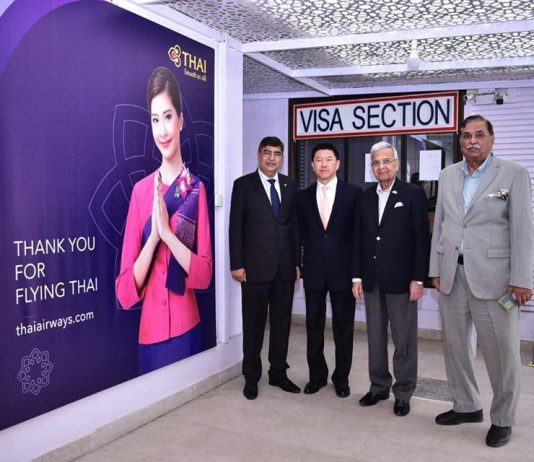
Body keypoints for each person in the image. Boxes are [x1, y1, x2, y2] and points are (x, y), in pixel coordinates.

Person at [429, 114, 533, 447]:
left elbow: (523, 229)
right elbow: (441, 224)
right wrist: (435, 268)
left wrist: (521, 278)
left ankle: (502, 419)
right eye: (466, 136)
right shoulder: (447, 175)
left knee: (502, 355)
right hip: (452, 275)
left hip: (496, 279)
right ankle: (466, 406)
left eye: (479, 135)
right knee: (456, 349)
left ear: (491, 138)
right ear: (460, 141)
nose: (472, 141)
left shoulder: (513, 174)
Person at [116, 67, 213, 374]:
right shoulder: (141, 192)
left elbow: (204, 275)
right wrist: (155, 238)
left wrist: (169, 236)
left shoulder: (195, 189)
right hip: (151, 334)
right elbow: (124, 290)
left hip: (188, 327)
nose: (162, 130)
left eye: (168, 117)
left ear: (180, 120)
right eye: (155, 119)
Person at [353, 141, 430, 417]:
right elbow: (359, 239)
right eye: (376, 162)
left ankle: (404, 392)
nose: (381, 167)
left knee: (403, 339)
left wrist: (418, 279)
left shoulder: (413, 194)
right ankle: (379, 386)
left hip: (402, 281)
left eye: (386, 161)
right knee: (375, 337)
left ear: (396, 164)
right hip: (372, 280)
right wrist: (356, 277)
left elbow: (422, 239)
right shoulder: (364, 197)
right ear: (371, 167)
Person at [229, 136, 301, 400]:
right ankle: (251, 377)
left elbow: (294, 228)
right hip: (254, 269)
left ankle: (278, 373)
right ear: (259, 155)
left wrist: (297, 263)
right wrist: (237, 264)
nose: (272, 158)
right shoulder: (243, 185)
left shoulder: (290, 186)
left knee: (282, 325)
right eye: (267, 153)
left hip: (284, 269)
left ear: (282, 158)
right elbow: (235, 227)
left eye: (277, 153)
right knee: (254, 326)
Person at [298, 143, 361, 398]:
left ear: (338, 164)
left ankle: (341, 378)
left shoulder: (354, 194)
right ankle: (316, 376)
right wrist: (298, 264)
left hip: (343, 272)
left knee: (343, 328)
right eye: (318, 160)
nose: (323, 164)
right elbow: (297, 235)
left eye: (328, 159)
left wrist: (357, 274)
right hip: (313, 270)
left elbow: (359, 236)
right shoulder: (302, 197)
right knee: (313, 327)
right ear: (312, 165)